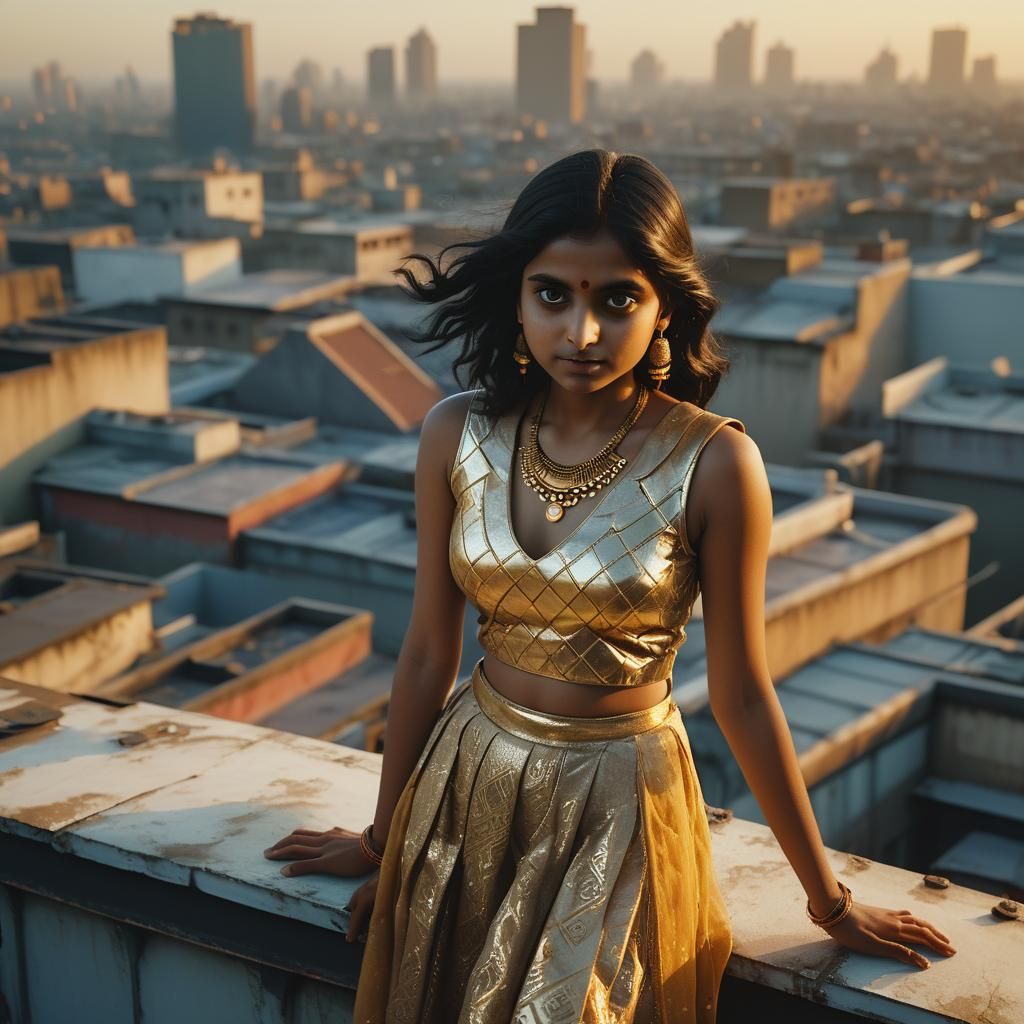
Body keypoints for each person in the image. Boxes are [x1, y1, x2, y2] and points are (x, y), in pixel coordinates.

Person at [264, 149, 956, 1022]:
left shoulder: (715, 463)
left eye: (617, 299)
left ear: (665, 306)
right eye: (553, 293)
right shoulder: (455, 433)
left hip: (620, 805)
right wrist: (384, 839)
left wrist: (829, 901)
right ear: (518, 296)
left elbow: (743, 692)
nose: (580, 333)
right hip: (467, 781)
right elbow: (427, 656)